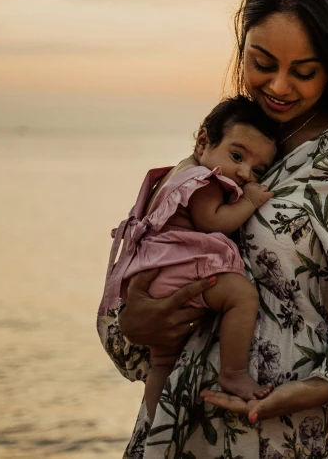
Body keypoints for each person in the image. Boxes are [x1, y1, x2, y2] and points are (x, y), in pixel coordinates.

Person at [97, 0, 328, 459]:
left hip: (283, 434)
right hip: (175, 425)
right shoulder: (232, 144)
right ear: (242, 51)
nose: (277, 86)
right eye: (262, 63)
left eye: (304, 71)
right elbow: (143, 260)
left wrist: (311, 391)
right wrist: (131, 325)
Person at [99, 97, 278, 424]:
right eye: (237, 156)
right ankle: (234, 372)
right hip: (180, 271)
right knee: (241, 295)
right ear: (203, 140)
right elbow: (214, 222)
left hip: (155, 274)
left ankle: (157, 426)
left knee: (162, 363)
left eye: (257, 170)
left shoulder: (176, 173)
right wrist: (250, 201)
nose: (243, 172)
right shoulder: (203, 180)